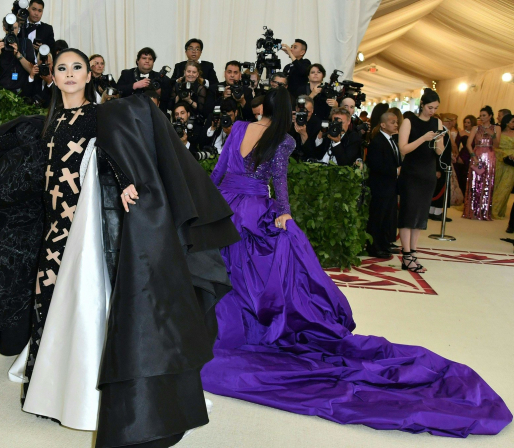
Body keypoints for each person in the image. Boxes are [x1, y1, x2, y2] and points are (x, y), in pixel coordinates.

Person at [0, 47, 239, 448]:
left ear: (88, 76)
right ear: (53, 77)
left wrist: (127, 181)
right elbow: (20, 138)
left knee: (85, 304)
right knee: (46, 302)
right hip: (52, 227)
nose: (70, 73)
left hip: (82, 230)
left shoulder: (97, 115)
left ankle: (95, 388)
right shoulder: (49, 121)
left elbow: (111, 151)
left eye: (77, 67)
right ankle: (46, 390)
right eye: (62, 68)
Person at [200, 87, 511, 438]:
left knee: (227, 268)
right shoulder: (283, 140)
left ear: (261, 107)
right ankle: (258, 324)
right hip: (255, 209)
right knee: (266, 273)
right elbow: (279, 182)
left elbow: (219, 171)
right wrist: (283, 212)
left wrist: (207, 210)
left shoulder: (239, 128)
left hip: (227, 208)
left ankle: (221, 324)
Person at [397, 90, 444, 272]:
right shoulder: (409, 121)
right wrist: (424, 138)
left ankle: (413, 253)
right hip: (411, 173)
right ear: (422, 104)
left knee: (420, 216)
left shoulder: (436, 122)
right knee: (408, 214)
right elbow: (403, 149)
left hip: (428, 173)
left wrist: (440, 141)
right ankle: (406, 255)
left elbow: (439, 152)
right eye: (430, 107)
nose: (432, 111)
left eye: (435, 108)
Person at [366, 111, 401, 258]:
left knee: (388, 216)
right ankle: (375, 247)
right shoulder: (377, 141)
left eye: (396, 122)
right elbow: (375, 165)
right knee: (378, 217)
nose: (396, 124)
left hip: (390, 186)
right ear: (383, 124)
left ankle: (385, 244)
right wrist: (395, 171)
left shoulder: (392, 140)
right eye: (392, 122)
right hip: (380, 186)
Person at [463, 105, 500, 220]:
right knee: (474, 183)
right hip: (477, 155)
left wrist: (492, 134)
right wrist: (473, 156)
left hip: (489, 156)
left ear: (490, 116)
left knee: (487, 183)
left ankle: (484, 211)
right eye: (481, 115)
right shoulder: (475, 128)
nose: (482, 118)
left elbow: (497, 145)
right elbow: (468, 144)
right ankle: (471, 210)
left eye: (484, 115)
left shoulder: (496, 128)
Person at [116, 46, 171, 115]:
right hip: (130, 114)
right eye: (144, 58)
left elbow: (170, 98)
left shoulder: (161, 78)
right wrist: (134, 85)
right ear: (137, 61)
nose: (147, 61)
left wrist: (160, 92)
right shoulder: (127, 74)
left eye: (150, 59)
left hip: (154, 115)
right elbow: (117, 90)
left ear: (153, 62)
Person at [0, 17, 34, 94]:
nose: (12, 32)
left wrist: (18, 55)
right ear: (4, 28)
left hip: (22, 92)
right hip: (3, 92)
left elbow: (32, 70)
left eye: (15, 28)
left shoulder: (26, 43)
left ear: (19, 28)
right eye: (9, 28)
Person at [428, 114, 454, 221]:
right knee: (439, 189)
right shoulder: (441, 132)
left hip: (442, 164)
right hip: (441, 165)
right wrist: (438, 168)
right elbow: (438, 153)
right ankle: (436, 212)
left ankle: (433, 211)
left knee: (437, 188)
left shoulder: (443, 131)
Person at [493, 114, 514, 220]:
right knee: (496, 184)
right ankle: (489, 208)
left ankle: (497, 210)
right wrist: (504, 154)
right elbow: (494, 147)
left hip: (511, 164)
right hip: (500, 161)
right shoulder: (499, 132)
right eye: (512, 121)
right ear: (506, 122)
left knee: (506, 187)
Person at [455, 114, 477, 194]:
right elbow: (456, 146)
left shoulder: (477, 133)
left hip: (475, 155)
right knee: (463, 176)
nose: (466, 124)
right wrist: (457, 157)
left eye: (468, 122)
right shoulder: (461, 133)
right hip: (464, 155)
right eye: (465, 122)